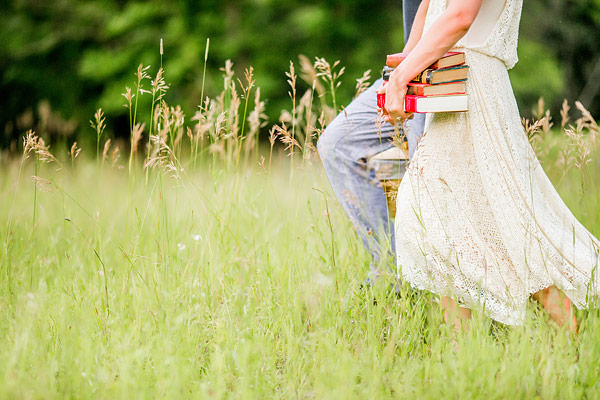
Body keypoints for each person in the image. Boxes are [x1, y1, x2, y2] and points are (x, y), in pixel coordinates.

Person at [381, 0, 600, 332]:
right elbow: (431, 4)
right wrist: (407, 71)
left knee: (503, 222)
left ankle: (572, 339)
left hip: (473, 83)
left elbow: (461, 15)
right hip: (448, 80)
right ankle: (462, 357)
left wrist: (400, 79)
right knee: (439, 221)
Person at [317, 0, 426, 284]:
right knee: (338, 144)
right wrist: (400, 73)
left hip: (447, 73)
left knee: (422, 170)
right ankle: (390, 272)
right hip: (410, 68)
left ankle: (429, 282)